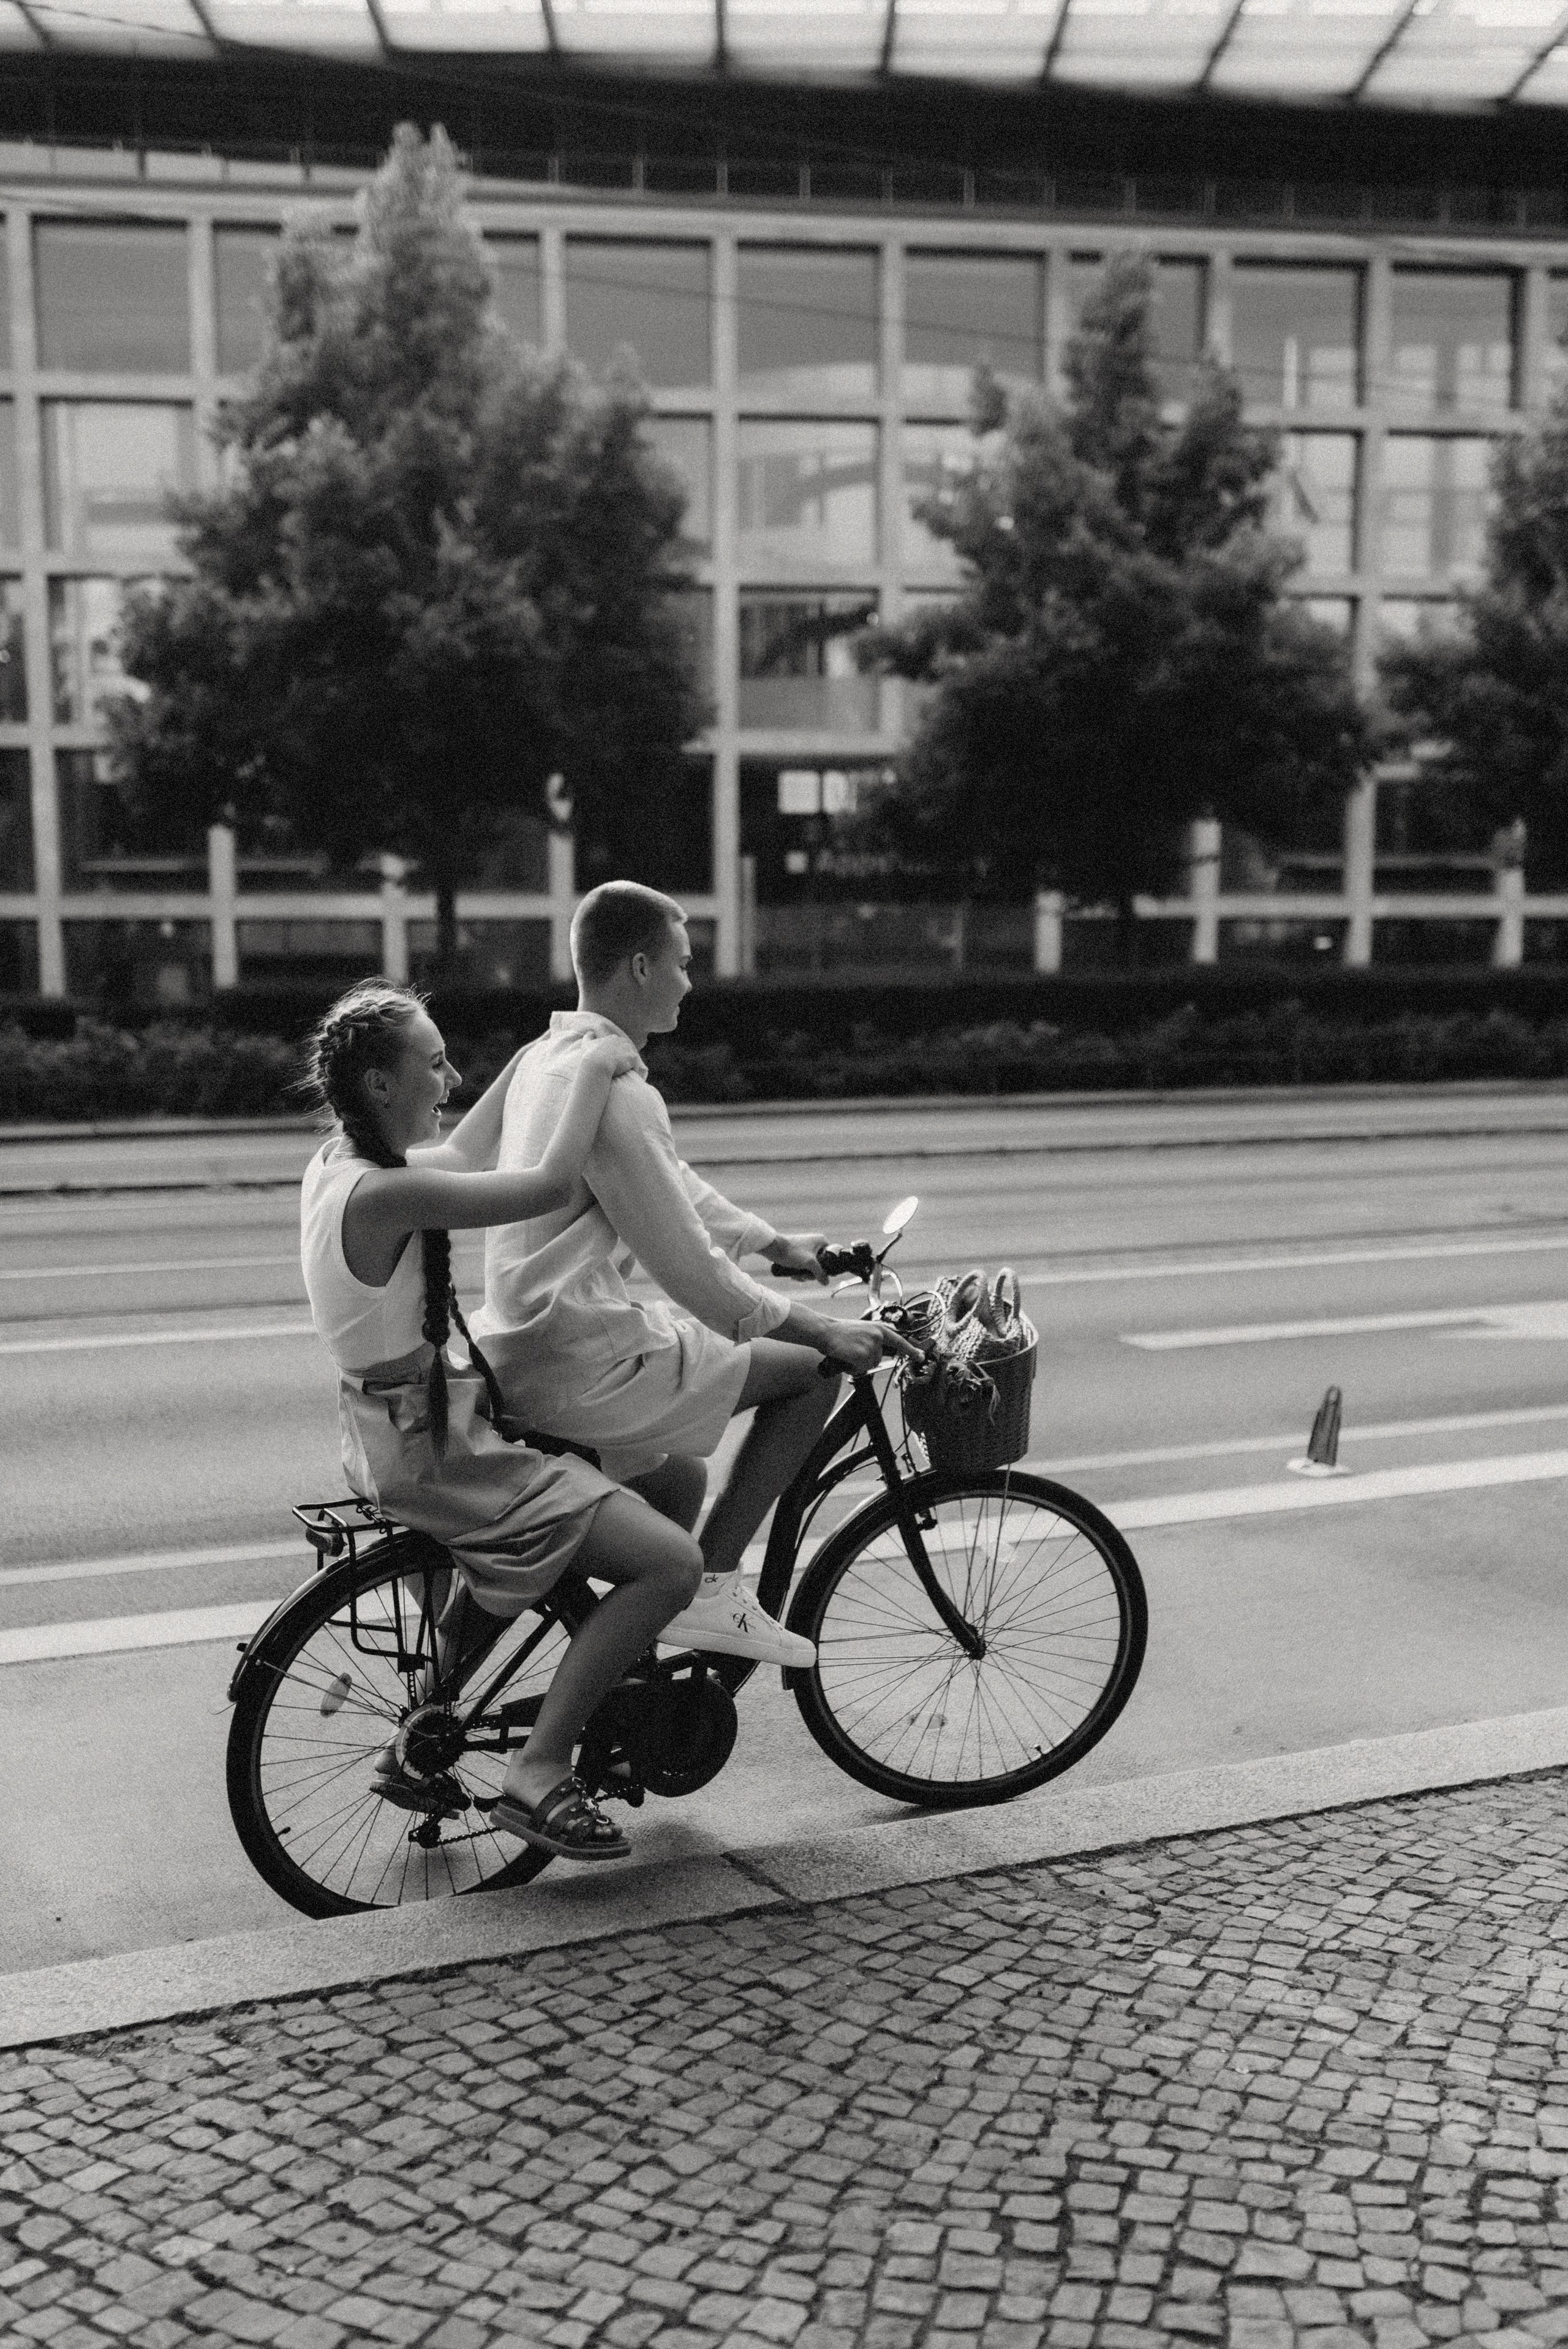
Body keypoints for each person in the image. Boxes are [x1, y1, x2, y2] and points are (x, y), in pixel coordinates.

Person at [300, 978, 705, 1866]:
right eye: (435, 1063)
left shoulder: (345, 1165)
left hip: (399, 1429)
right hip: (439, 1450)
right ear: (379, 1084)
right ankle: (542, 1766)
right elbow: (544, 1181)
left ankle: (424, 1735)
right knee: (673, 1562)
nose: (449, 1079)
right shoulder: (384, 1198)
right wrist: (597, 1064)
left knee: (673, 1475)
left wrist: (538, 1057)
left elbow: (471, 1143)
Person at [468, 881, 920, 1662]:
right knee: (811, 1371)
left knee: (678, 1484)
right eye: (681, 963)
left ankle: (629, 1671)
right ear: (639, 967)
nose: (690, 980)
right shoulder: (616, 1089)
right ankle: (712, 1589)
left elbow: (666, 1183)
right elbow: (691, 1273)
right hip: (579, 1360)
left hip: (519, 1345)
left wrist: (776, 1244)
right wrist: (824, 1331)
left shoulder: (552, 1059)